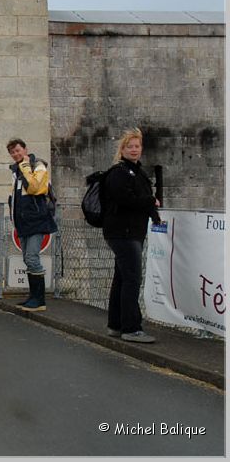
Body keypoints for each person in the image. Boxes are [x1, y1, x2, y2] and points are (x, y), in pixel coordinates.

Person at [103, 127, 162, 344]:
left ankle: (116, 325)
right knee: (132, 279)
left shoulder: (137, 172)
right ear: (123, 149)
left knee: (121, 279)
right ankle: (131, 328)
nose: (134, 150)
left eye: (137, 146)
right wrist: (150, 203)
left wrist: (155, 216)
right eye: (130, 146)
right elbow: (125, 200)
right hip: (123, 233)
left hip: (131, 232)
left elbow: (144, 199)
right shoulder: (119, 173)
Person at [6, 139, 58, 311]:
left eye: (18, 150)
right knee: (27, 259)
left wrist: (26, 167)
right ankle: (33, 297)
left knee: (32, 258)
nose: (16, 154)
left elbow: (35, 188)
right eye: (13, 152)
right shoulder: (16, 172)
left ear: (25, 149)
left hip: (37, 220)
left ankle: (40, 300)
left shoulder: (38, 166)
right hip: (22, 223)